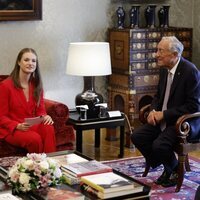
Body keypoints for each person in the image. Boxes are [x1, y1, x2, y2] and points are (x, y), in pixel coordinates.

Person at [131, 36, 200, 187]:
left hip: (182, 123)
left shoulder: (190, 72)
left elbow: (194, 106)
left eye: (160, 51)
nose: (156, 54)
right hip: (164, 120)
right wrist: (153, 111)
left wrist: (164, 114)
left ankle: (172, 170)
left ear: (175, 55)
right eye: (157, 50)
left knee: (159, 145)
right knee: (137, 136)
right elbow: (158, 96)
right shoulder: (165, 69)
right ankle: (172, 168)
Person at [0, 48, 56, 153]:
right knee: (35, 139)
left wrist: (45, 116)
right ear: (19, 62)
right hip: (12, 128)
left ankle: (51, 164)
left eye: (33, 61)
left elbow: (40, 110)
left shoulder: (36, 84)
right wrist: (17, 125)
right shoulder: (5, 86)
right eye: (26, 60)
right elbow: (1, 116)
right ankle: (36, 167)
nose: (30, 63)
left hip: (31, 125)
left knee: (49, 128)